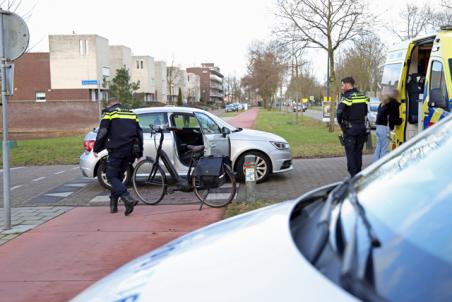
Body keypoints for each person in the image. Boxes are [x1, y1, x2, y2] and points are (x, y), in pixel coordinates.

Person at [93, 98, 143, 216]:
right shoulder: (131, 113)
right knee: (119, 177)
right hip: (130, 151)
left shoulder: (109, 113)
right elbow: (139, 133)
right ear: (119, 103)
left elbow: (103, 132)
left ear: (110, 104)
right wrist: (140, 151)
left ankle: (127, 198)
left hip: (116, 150)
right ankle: (113, 205)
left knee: (111, 177)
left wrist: (96, 148)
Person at [337, 77, 369, 177]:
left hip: (350, 130)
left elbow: (339, 112)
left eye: (342, 85)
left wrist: (341, 125)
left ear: (347, 84)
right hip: (361, 129)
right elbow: (365, 112)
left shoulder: (347, 97)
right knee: (358, 153)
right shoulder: (362, 96)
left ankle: (353, 177)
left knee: (350, 153)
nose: (342, 88)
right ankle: (358, 174)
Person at [372, 88, 403, 162]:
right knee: (385, 149)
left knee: (378, 148)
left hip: (379, 128)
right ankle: (383, 167)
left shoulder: (382, 104)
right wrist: (401, 120)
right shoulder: (393, 104)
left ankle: (375, 164)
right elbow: (393, 119)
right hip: (385, 128)